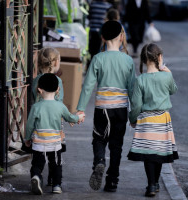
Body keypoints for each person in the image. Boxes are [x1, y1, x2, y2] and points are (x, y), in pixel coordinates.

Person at [76, 20, 136, 192]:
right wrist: (133, 115)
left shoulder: (97, 59)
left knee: (99, 139)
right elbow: (133, 90)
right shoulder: (128, 61)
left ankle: (100, 161)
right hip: (121, 110)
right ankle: (112, 181)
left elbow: (88, 86)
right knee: (116, 145)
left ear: (102, 38)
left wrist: (80, 109)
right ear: (121, 37)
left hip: (102, 109)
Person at [127, 43, 179, 197]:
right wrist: (168, 71)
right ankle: (155, 183)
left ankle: (151, 185)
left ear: (143, 60)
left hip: (146, 120)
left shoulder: (140, 79)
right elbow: (173, 90)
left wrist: (133, 119)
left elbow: (136, 105)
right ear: (160, 58)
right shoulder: (166, 76)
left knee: (149, 153)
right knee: (159, 153)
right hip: (162, 119)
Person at [25, 73, 85, 195]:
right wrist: (78, 117)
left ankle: (36, 176)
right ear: (58, 90)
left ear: (39, 90)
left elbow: (30, 124)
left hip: (39, 143)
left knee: (37, 164)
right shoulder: (60, 106)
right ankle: (56, 185)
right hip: (55, 143)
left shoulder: (36, 107)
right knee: (56, 164)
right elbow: (70, 118)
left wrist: (27, 138)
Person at [31, 47, 64, 187]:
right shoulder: (58, 81)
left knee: (39, 154)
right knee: (55, 154)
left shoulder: (36, 80)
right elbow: (60, 102)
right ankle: (54, 181)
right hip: (54, 125)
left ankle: (37, 175)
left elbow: (33, 98)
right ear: (56, 62)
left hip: (38, 124)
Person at [88, 0, 112, 68]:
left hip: (93, 30)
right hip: (102, 31)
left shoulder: (92, 5)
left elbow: (89, 16)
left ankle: (91, 65)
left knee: (92, 50)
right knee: (100, 49)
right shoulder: (108, 6)